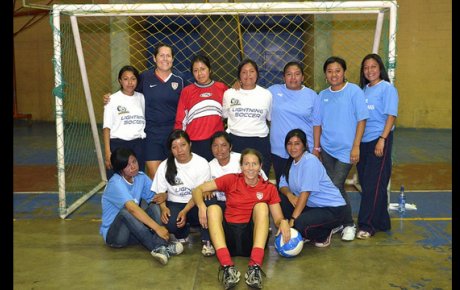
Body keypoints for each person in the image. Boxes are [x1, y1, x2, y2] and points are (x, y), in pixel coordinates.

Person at [192, 148, 290, 290]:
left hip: (251, 239)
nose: (250, 168)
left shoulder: (269, 188)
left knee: (262, 206)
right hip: (228, 238)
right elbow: (197, 189)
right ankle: (227, 267)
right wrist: (201, 206)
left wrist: (283, 222)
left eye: (254, 164)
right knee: (213, 209)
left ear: (260, 166)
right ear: (241, 166)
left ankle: (254, 268)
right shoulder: (231, 179)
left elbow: (278, 218)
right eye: (246, 164)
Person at [104, 43, 189, 180]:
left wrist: (237, 84)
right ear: (154, 58)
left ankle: (171, 200)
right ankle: (159, 201)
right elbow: (128, 92)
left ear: (173, 59)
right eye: (161, 55)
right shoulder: (144, 78)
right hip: (151, 135)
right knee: (155, 177)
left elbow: (194, 94)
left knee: (173, 175)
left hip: (173, 133)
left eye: (168, 56)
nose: (165, 59)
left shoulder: (180, 79)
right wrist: (111, 98)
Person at [99, 147, 184, 265]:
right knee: (126, 211)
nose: (133, 166)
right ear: (120, 168)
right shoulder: (115, 183)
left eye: (134, 161)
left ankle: (161, 247)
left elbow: (156, 197)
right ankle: (160, 247)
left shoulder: (140, 177)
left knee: (154, 206)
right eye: (127, 165)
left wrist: (165, 195)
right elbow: (132, 209)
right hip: (115, 237)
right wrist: (157, 228)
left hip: (134, 234)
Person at [318, 56, 369, 242]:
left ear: (344, 72)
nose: (334, 74)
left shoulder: (354, 91)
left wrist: (356, 146)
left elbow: (362, 120)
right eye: (330, 71)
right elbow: (318, 123)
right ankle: (340, 221)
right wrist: (317, 148)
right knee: (335, 186)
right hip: (326, 149)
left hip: (347, 151)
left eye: (337, 70)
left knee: (335, 185)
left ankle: (349, 223)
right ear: (325, 74)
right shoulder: (322, 95)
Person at [202, 131, 269, 257]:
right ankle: (209, 241)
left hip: (245, 202)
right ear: (211, 148)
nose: (219, 150)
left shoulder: (243, 160)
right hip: (223, 203)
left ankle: (259, 230)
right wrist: (206, 193)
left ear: (231, 147)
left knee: (260, 206)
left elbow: (264, 183)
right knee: (209, 202)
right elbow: (201, 188)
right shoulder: (208, 166)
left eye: (223, 145)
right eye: (215, 146)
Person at [278, 129, 346, 247]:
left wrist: (292, 221)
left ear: (305, 145)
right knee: (281, 198)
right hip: (313, 207)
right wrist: (290, 195)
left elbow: (305, 193)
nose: (293, 147)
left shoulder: (310, 161)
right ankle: (306, 230)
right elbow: (282, 185)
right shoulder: (291, 163)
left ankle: (325, 232)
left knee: (299, 224)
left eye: (297, 143)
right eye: (289, 143)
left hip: (332, 209)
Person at [356, 53, 399, 239]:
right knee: (369, 184)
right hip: (363, 142)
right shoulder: (363, 90)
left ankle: (367, 225)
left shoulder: (387, 89)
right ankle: (382, 221)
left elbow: (391, 116)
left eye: (373, 66)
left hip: (379, 140)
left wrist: (382, 138)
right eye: (366, 67)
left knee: (373, 185)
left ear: (379, 68)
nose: (370, 70)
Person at [150, 129, 211, 247]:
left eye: (183, 145)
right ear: (171, 150)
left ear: (190, 144)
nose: (180, 150)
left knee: (209, 204)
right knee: (170, 222)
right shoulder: (164, 165)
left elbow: (199, 192)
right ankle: (183, 233)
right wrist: (163, 208)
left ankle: (206, 239)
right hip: (175, 203)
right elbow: (160, 193)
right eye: (174, 147)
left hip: (195, 202)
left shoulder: (201, 163)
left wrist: (184, 211)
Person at [268, 61, 321, 187]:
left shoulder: (312, 95)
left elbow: (317, 124)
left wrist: (316, 148)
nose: (293, 78)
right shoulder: (272, 91)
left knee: (303, 187)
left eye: (297, 74)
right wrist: (240, 84)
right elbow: (254, 92)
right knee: (282, 187)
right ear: (283, 77)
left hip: (304, 151)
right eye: (289, 74)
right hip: (279, 150)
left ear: (303, 77)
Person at [222, 59, 272, 177]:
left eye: (251, 71)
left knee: (260, 178)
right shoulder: (229, 94)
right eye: (244, 72)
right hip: (236, 141)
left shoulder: (266, 94)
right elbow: (225, 115)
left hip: (259, 142)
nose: (248, 75)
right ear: (239, 75)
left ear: (257, 74)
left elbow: (269, 118)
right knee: (236, 179)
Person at [174, 54, 229, 161]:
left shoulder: (222, 88)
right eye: (195, 70)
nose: (199, 73)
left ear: (210, 70)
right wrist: (179, 142)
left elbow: (230, 112)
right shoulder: (187, 91)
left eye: (203, 69)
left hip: (216, 143)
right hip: (194, 143)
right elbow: (180, 120)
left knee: (216, 177)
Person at [103, 65, 146, 178]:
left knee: (136, 179)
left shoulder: (142, 98)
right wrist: (108, 152)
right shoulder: (112, 99)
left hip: (138, 145)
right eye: (126, 79)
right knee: (117, 179)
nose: (130, 82)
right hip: (118, 145)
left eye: (133, 78)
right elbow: (106, 127)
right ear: (120, 81)